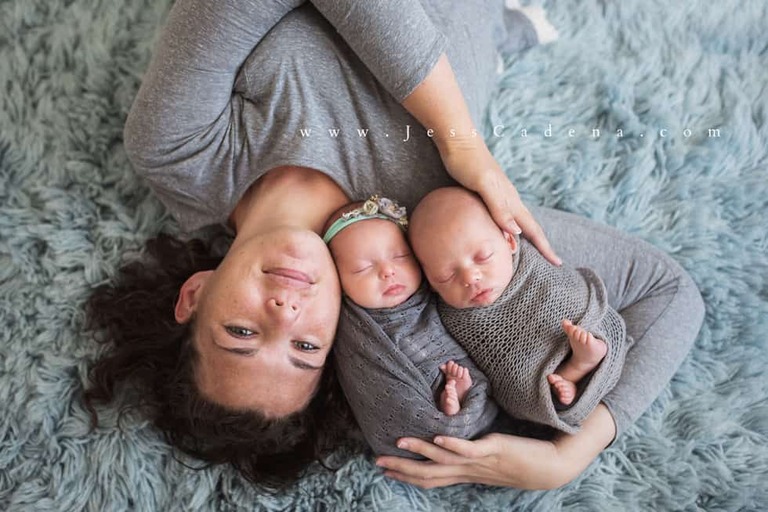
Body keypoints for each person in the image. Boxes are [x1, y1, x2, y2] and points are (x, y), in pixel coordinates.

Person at [85, 0, 704, 491]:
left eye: (241, 334)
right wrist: (571, 454)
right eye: (304, 346)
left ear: (195, 294)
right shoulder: (431, 233)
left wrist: (463, 146)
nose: (285, 312)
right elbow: (669, 293)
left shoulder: (179, 151)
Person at [408, 186, 630, 434]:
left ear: (510, 240)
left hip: (568, 329)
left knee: (581, 326)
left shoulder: (529, 261)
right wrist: (461, 388)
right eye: (446, 276)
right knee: (519, 384)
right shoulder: (449, 315)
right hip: (531, 389)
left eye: (483, 256)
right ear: (430, 283)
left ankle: (582, 362)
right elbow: (462, 361)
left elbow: (563, 285)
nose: (471, 277)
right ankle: (573, 370)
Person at [322, 195, 498, 458]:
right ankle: (447, 407)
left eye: (400, 256)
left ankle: (458, 400)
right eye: (363, 268)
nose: (388, 271)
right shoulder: (350, 327)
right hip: (406, 416)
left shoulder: (439, 292)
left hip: (462, 384)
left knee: (459, 373)